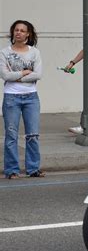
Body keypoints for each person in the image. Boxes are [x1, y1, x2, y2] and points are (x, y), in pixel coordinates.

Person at [0, 20, 45, 179]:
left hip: (31, 98)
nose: (18, 32)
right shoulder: (4, 52)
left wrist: (16, 77)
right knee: (11, 135)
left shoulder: (35, 53)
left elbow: (38, 74)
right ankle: (12, 170)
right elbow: (5, 75)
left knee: (33, 135)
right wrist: (24, 73)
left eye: (22, 30)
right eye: (16, 30)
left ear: (28, 34)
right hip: (11, 98)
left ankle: (33, 169)